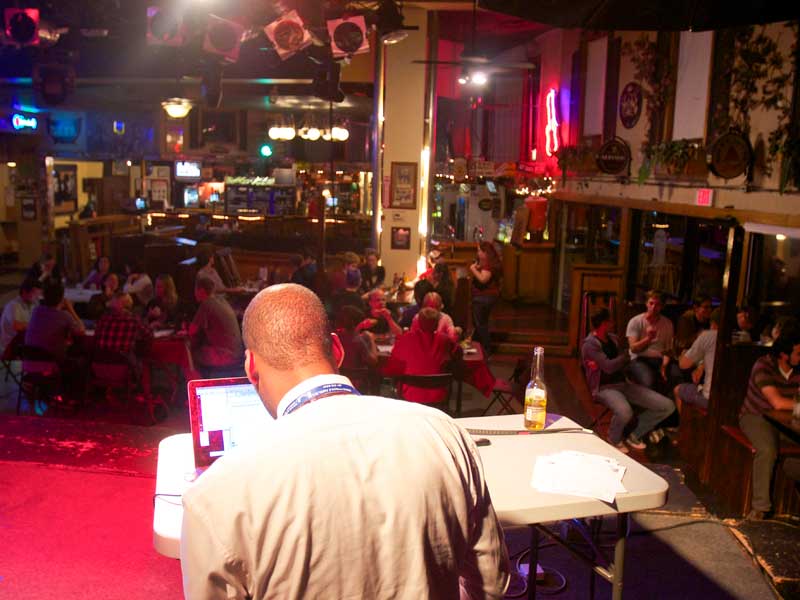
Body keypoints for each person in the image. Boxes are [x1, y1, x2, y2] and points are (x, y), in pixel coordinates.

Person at [180, 283, 510, 599]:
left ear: (251, 367)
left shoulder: (213, 496)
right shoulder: (446, 434)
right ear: (337, 350)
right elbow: (491, 581)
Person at [582, 309, 676, 452]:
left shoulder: (613, 338)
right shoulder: (590, 345)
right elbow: (609, 367)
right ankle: (614, 439)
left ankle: (635, 434)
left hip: (624, 384)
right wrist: (620, 359)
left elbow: (621, 360)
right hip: (604, 388)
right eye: (610, 321)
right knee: (625, 411)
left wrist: (613, 362)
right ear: (604, 323)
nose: (613, 323)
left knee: (667, 406)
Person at [739, 332, 800, 519]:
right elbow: (777, 402)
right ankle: (760, 508)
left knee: (792, 460)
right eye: (798, 353)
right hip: (756, 416)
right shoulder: (764, 365)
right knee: (767, 449)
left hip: (787, 421)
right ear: (784, 354)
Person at [383, 307, 458, 407]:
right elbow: (458, 355)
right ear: (437, 324)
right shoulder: (445, 341)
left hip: (410, 396)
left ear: (418, 323)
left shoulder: (406, 339)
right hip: (438, 396)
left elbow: (393, 366)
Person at [94, 292, 153, 391]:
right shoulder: (133, 320)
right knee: (144, 360)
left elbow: (95, 338)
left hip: (98, 368)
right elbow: (149, 335)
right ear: (129, 305)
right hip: (122, 371)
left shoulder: (103, 319)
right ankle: (144, 395)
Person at [625, 290, 679, 391]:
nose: (654, 307)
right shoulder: (636, 321)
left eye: (658, 304)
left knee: (676, 376)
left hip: (659, 359)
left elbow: (667, 350)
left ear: (662, 306)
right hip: (639, 358)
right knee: (649, 382)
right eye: (651, 303)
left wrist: (664, 366)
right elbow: (633, 349)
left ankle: (668, 405)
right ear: (646, 304)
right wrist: (648, 338)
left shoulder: (667, 323)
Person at [188, 276, 243, 371]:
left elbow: (192, 331)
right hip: (238, 354)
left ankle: (198, 382)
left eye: (195, 290)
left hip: (225, 356)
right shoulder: (222, 301)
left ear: (200, 290)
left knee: (189, 353)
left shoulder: (207, 304)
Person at [24, 281, 85, 366]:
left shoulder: (36, 311)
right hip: (52, 363)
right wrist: (71, 309)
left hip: (29, 362)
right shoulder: (65, 316)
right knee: (81, 353)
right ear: (61, 298)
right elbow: (82, 331)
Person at [675, 309, 720, 411]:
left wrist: (683, 353)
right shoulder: (744, 337)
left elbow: (683, 364)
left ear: (713, 323)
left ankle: (685, 426)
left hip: (710, 399)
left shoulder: (708, 335)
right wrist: (701, 366)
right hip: (735, 400)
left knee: (678, 390)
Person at [470, 241, 502, 352]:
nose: (477, 252)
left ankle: (486, 348)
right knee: (479, 323)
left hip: (483, 298)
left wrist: (473, 269)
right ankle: (477, 346)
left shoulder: (488, 264)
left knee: (480, 324)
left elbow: (483, 279)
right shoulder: (486, 263)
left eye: (479, 250)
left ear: (485, 252)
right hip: (484, 298)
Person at [0, 278, 41, 355]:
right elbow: (17, 326)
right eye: (35, 294)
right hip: (10, 346)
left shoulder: (33, 304)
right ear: (24, 292)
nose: (37, 297)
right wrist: (35, 325)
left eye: (38, 294)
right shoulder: (13, 305)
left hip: (24, 342)